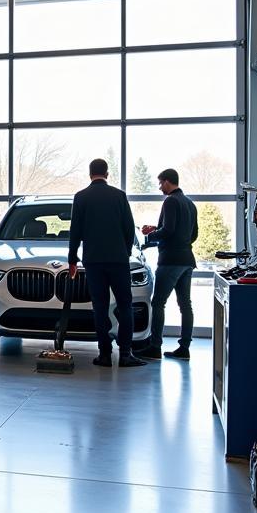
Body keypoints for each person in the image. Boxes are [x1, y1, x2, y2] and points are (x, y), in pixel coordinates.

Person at [68, 158, 146, 368]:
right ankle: (126, 354)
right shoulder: (119, 196)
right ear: (107, 173)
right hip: (118, 260)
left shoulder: (81, 197)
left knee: (99, 307)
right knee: (125, 305)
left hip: (93, 261)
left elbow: (75, 230)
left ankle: (104, 354)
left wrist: (72, 259)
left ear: (90, 173)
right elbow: (129, 228)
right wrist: (126, 251)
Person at [137, 168, 198, 361]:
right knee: (185, 305)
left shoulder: (170, 201)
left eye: (160, 183)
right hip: (187, 259)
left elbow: (169, 230)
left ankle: (155, 346)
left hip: (170, 261)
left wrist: (147, 237)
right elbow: (192, 234)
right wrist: (158, 229)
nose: (159, 187)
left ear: (167, 182)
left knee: (158, 303)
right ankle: (184, 347)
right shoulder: (190, 203)